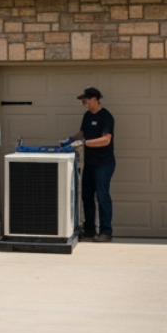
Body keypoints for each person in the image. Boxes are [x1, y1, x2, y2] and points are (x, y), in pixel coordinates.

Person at [66, 86, 115, 242]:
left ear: (95, 99)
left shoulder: (106, 117)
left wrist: (84, 143)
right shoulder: (87, 116)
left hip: (104, 164)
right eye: (83, 102)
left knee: (102, 196)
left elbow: (106, 140)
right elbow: (82, 133)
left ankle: (105, 232)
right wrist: (69, 140)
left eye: (86, 101)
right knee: (86, 196)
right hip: (90, 163)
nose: (84, 104)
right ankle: (89, 231)